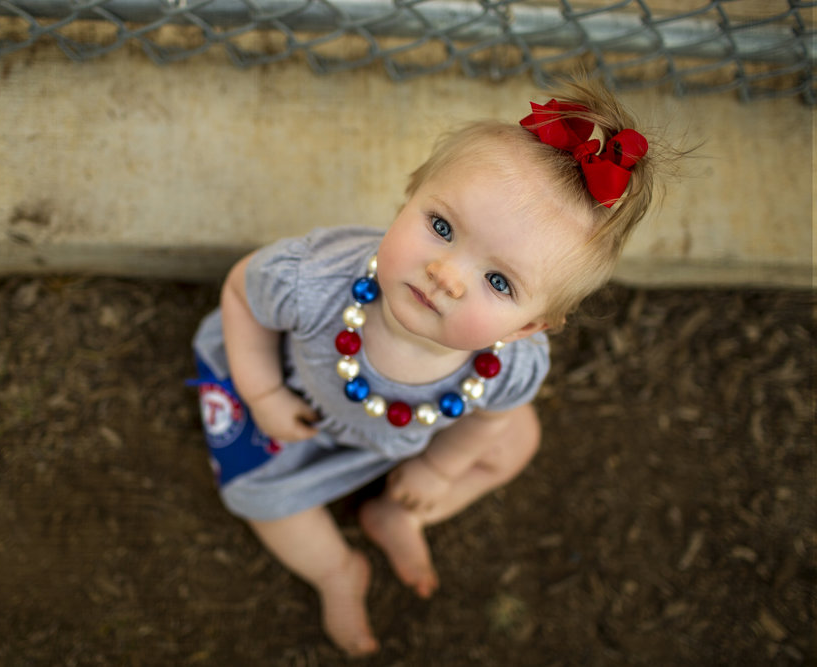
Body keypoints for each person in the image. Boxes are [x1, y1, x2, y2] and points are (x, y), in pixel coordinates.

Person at [191, 78, 665, 656]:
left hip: (422, 432)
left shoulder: (508, 365)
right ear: (407, 196)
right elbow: (242, 293)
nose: (447, 274)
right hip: (301, 411)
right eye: (441, 227)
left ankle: (401, 516)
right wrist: (262, 392)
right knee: (257, 498)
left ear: (524, 329)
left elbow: (491, 421)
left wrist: (441, 468)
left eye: (498, 281)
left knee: (518, 438)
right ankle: (336, 571)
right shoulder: (311, 281)